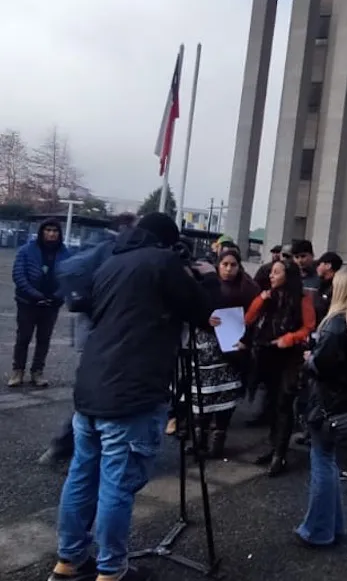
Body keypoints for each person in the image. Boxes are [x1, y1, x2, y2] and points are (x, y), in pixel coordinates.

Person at [49, 212, 213, 581]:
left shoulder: (112, 262)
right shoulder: (162, 261)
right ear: (167, 241)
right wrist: (208, 279)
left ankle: (68, 561)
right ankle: (111, 570)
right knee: (116, 486)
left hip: (90, 387)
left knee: (81, 477)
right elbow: (203, 311)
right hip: (132, 393)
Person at [38, 213, 137, 468]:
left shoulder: (94, 249)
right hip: (104, 333)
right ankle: (67, 447)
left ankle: (66, 447)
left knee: (90, 392)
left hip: (88, 331)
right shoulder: (115, 254)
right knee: (96, 396)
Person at [295, 265, 347, 548]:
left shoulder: (336, 324)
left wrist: (308, 358)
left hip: (327, 405)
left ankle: (319, 530)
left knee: (322, 464)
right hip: (346, 403)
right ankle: (332, 525)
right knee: (328, 462)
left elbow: (322, 366)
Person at [244, 258, 316, 476]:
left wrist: (290, 338)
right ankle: (273, 446)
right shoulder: (267, 296)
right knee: (272, 403)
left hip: (290, 357)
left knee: (284, 402)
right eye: (271, 272)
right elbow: (248, 319)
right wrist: (260, 300)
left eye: (276, 272)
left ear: (288, 276)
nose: (271, 276)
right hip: (267, 354)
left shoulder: (303, 299)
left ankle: (280, 455)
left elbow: (309, 327)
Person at [188, 248, 259, 459]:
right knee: (202, 395)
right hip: (205, 349)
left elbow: (255, 318)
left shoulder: (247, 288)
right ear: (218, 265)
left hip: (231, 351)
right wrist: (204, 319)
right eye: (225, 264)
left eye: (233, 265)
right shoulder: (206, 285)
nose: (228, 269)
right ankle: (199, 439)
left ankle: (217, 442)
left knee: (225, 396)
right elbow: (192, 309)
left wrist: (246, 341)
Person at [9, 217, 70, 387]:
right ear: (41, 231)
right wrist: (35, 294)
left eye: (55, 230)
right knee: (23, 337)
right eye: (48, 230)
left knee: (44, 339)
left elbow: (69, 277)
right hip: (27, 302)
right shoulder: (26, 251)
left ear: (59, 233)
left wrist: (58, 295)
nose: (51, 233)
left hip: (52, 304)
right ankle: (17, 371)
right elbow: (19, 275)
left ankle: (37, 372)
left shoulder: (66, 253)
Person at [313, 251, 343, 319]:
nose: (317, 268)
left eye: (319, 264)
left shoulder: (337, 286)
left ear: (328, 266)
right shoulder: (322, 284)